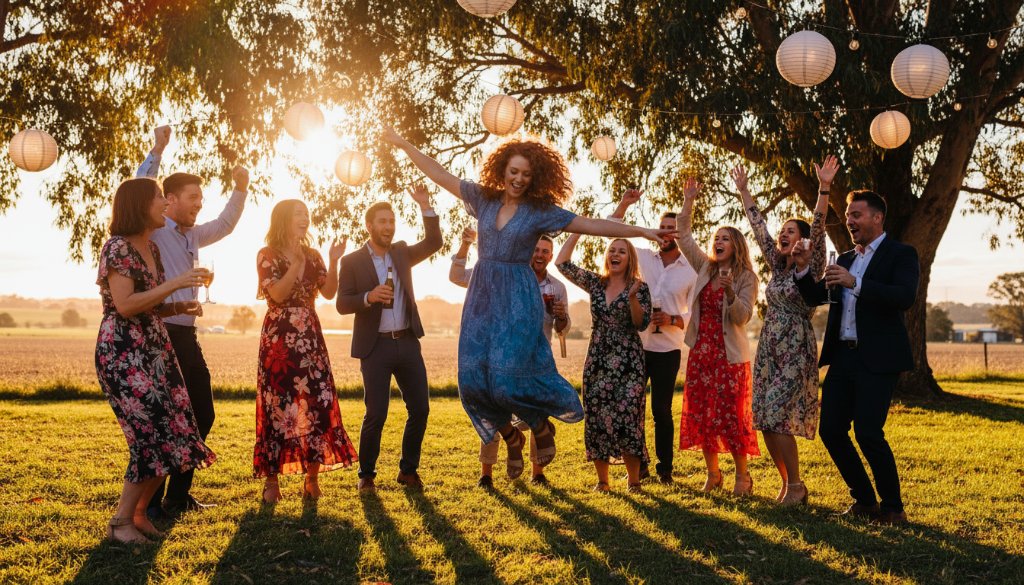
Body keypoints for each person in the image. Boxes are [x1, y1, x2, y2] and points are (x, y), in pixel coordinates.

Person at [383, 127, 673, 478]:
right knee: (472, 381)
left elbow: (591, 225)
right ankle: (511, 437)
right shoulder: (483, 198)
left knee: (508, 380)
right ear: (502, 170)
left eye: (526, 174)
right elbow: (439, 173)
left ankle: (537, 424)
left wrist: (641, 231)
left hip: (518, 297)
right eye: (513, 172)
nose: (518, 179)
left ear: (535, 177)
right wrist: (402, 143)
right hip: (482, 296)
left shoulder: (539, 211)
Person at [95, 177, 216, 543]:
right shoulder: (117, 249)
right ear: (139, 205)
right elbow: (126, 305)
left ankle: (137, 516)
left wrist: (177, 305)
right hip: (124, 352)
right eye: (160, 197)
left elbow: (150, 303)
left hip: (155, 348)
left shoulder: (152, 248)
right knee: (148, 437)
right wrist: (177, 284)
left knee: (172, 433)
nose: (165, 202)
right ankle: (119, 524)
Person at [136, 125, 249, 518]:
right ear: (169, 201)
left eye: (202, 197)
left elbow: (226, 224)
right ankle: (151, 501)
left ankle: (177, 496)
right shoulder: (159, 228)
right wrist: (157, 150)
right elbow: (139, 186)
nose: (200, 203)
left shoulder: (193, 235)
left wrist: (241, 188)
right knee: (163, 416)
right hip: (160, 333)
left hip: (187, 334)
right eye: (193, 197)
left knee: (203, 411)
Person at [792, 190, 919, 525]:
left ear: (877, 217)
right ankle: (864, 500)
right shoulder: (845, 258)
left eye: (856, 215)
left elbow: (904, 297)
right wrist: (804, 270)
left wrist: (856, 282)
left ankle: (893, 508)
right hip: (843, 357)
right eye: (848, 216)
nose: (849, 221)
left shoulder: (901, 254)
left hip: (878, 359)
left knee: (868, 432)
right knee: (831, 430)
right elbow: (817, 296)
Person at [731, 158, 836, 505]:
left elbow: (819, 225)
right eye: (784, 231)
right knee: (763, 417)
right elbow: (758, 226)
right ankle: (790, 485)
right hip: (769, 347)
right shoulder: (777, 266)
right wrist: (745, 191)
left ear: (804, 240)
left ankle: (795, 485)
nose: (783, 234)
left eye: (791, 231)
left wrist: (823, 189)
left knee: (776, 414)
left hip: (795, 347)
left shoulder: (813, 262)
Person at [336, 186, 442, 492]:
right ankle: (366, 474)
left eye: (391, 221)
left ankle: (408, 471)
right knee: (376, 414)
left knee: (420, 409)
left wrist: (425, 205)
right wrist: (368, 297)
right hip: (376, 346)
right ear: (370, 226)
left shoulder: (402, 252)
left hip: (407, 342)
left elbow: (435, 241)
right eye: (382, 221)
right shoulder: (353, 261)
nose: (388, 226)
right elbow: (342, 303)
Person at [450, 228, 572, 486]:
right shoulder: (501, 274)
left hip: (534, 360)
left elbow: (563, 329)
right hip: (497, 355)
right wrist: (465, 245)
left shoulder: (557, 287)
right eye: (536, 250)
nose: (539, 255)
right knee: (493, 409)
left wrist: (561, 316)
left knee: (536, 412)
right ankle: (486, 474)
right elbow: (457, 276)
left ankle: (537, 473)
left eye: (545, 252)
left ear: (550, 256)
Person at [254, 200, 357, 502]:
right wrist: (296, 264)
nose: (305, 218)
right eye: (299, 214)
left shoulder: (313, 255)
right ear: (284, 219)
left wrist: (334, 260)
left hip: (310, 337)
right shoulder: (267, 255)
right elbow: (278, 293)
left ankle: (311, 478)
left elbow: (328, 292)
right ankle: (272, 482)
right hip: (279, 340)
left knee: (316, 402)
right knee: (277, 404)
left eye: (306, 214)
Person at [676, 177, 760, 495]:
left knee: (733, 417)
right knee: (704, 417)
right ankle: (713, 474)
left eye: (725, 238)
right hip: (702, 354)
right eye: (717, 238)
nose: (718, 242)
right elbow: (683, 236)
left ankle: (742, 477)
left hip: (730, 358)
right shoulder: (705, 268)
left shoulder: (746, 277)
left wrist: (729, 294)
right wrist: (689, 201)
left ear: (735, 245)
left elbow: (742, 317)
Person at [608, 189, 697, 484]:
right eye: (663, 228)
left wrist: (674, 318)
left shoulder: (691, 270)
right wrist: (624, 203)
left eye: (673, 229)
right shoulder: (643, 257)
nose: (668, 233)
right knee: (630, 407)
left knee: (660, 409)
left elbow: (695, 312)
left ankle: (665, 470)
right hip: (637, 345)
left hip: (667, 349)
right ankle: (638, 467)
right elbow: (611, 230)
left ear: (681, 233)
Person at [556, 234, 652, 492]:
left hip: (629, 362)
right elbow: (562, 263)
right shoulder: (596, 283)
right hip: (597, 358)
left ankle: (634, 482)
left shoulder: (639, 288)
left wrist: (632, 298)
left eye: (621, 251)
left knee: (629, 418)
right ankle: (603, 482)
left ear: (629, 258)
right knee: (597, 416)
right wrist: (578, 229)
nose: (615, 255)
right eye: (612, 250)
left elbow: (641, 323)